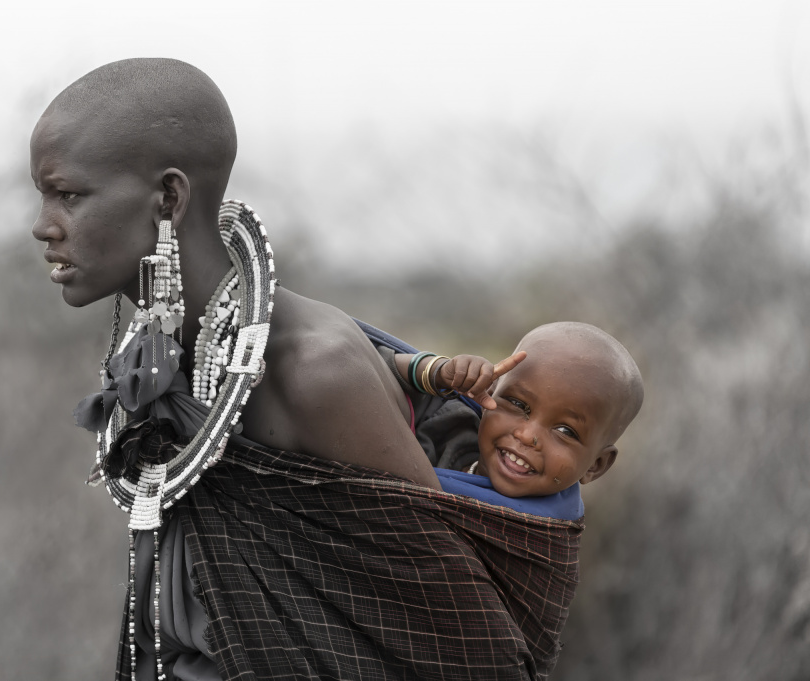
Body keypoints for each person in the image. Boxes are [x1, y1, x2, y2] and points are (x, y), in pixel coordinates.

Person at [31, 58, 588, 681]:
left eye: (68, 195)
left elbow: (459, 640)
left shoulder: (313, 371)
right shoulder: (169, 360)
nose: (43, 226)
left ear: (168, 197)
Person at [391, 322, 644, 520]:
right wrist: (435, 372)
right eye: (518, 404)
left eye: (565, 430)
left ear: (596, 465)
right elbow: (372, 370)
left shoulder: (540, 538)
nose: (526, 435)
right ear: (490, 392)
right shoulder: (447, 424)